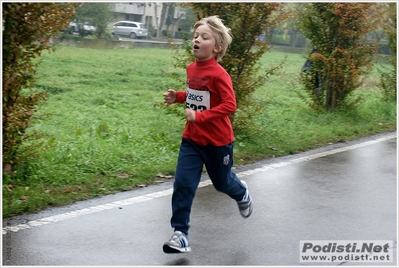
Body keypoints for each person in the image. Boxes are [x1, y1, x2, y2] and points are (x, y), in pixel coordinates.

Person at [162, 15, 253, 254]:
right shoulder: (192, 68)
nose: (197, 40)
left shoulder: (219, 74)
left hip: (217, 142)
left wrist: (200, 117)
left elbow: (229, 105)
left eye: (204, 37)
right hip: (192, 138)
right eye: (195, 36)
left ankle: (241, 192)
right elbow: (198, 95)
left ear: (217, 47)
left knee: (222, 183)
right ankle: (180, 234)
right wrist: (179, 97)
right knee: (183, 183)